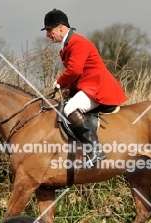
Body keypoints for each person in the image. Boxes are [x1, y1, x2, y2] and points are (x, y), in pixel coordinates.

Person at [41, 8, 128, 168]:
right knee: (65, 105)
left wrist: (59, 81)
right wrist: (68, 87)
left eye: (49, 30)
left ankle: (95, 152)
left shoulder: (77, 42)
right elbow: (79, 72)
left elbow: (74, 70)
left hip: (97, 88)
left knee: (70, 109)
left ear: (61, 27)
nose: (47, 34)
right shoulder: (67, 45)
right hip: (88, 86)